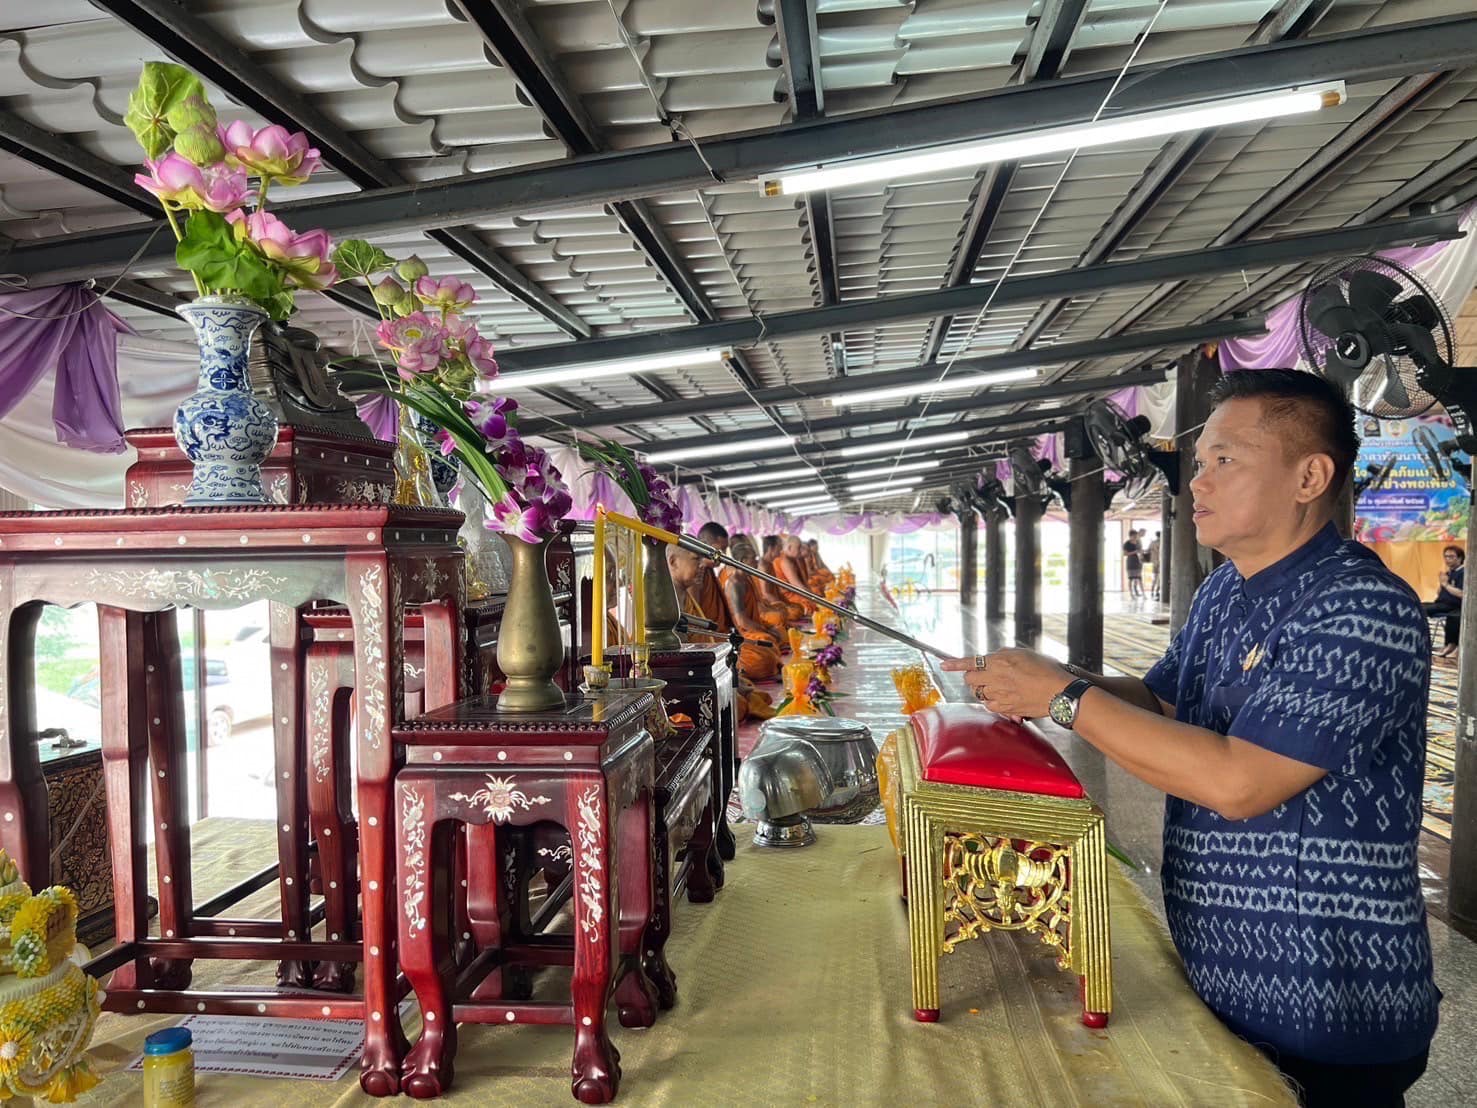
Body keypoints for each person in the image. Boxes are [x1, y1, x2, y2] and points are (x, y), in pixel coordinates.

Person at [944, 369, 1438, 1107]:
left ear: (1309, 476)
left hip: (1327, 998)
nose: (1195, 483)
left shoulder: (1359, 607)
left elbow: (1239, 783)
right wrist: (1040, 686)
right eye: (1198, 462)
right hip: (1225, 973)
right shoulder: (1223, 589)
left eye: (1224, 461)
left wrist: (1066, 698)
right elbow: (1163, 699)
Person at [666, 544, 776, 721]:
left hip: (705, 666)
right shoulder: (668, 602)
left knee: (745, 690)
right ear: (673, 562)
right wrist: (721, 678)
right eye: (696, 559)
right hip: (682, 685)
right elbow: (682, 662)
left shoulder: (685, 593)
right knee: (736, 703)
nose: (702, 564)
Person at [1422, 545, 1464, 659]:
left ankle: (1452, 646)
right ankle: (1420, 639)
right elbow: (1439, 593)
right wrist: (1442, 583)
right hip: (1441, 604)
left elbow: (1462, 594)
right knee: (1417, 606)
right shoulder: (1448, 573)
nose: (1447, 559)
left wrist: (1446, 584)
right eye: (1446, 556)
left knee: (1453, 617)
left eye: (1451, 557)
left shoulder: (1464, 573)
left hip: (1453, 605)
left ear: (1460, 558)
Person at [758, 535, 805, 622]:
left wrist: (788, 603)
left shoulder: (770, 564)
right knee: (785, 614)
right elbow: (766, 593)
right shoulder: (763, 566)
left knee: (798, 608)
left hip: (776, 601)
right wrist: (783, 606)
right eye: (779, 547)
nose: (781, 551)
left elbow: (776, 590)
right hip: (767, 605)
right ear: (771, 548)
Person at [1123, 528, 1144, 599]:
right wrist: (1134, 552)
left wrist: (1141, 552)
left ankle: (1143, 594)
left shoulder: (1138, 542)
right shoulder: (1127, 543)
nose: (1135, 537)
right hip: (1130, 562)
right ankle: (1131, 594)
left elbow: (1140, 551)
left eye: (1136, 536)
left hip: (1138, 562)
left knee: (1139, 578)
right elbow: (1125, 554)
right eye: (1134, 536)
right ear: (1130, 536)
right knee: (1131, 579)